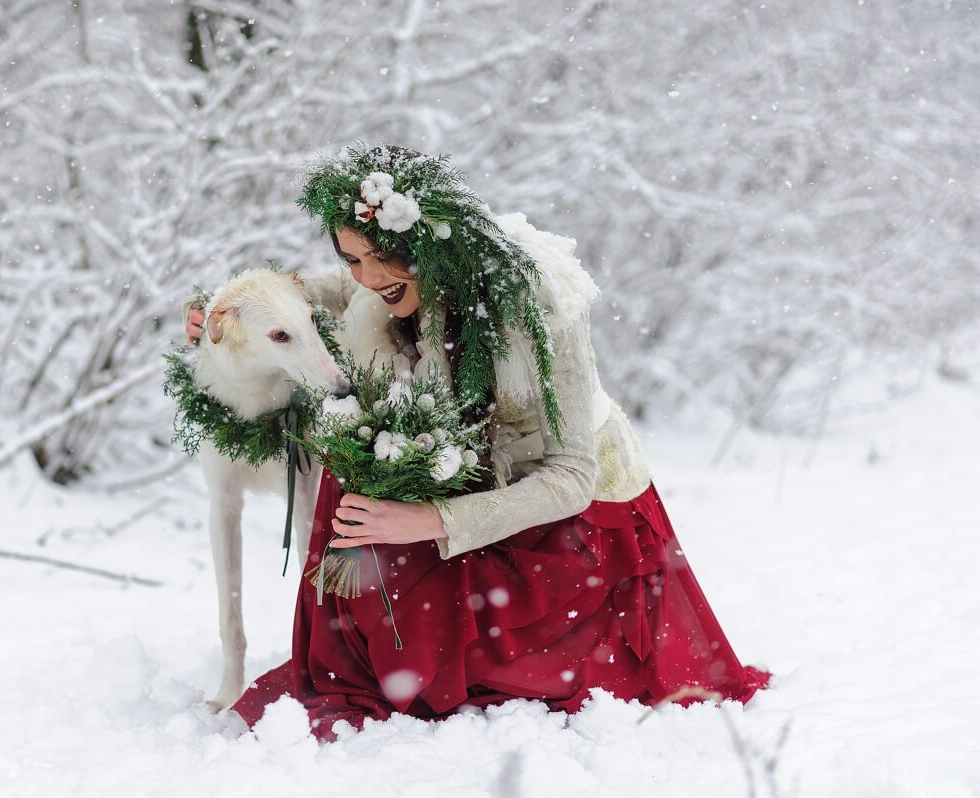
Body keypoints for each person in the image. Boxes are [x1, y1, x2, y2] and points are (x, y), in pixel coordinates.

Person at [185, 143, 771, 742]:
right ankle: (389, 641)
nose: (368, 277)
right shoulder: (386, 285)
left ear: (428, 242)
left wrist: (428, 521)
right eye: (354, 259)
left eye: (382, 257)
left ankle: (471, 646)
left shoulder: (540, 308)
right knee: (356, 487)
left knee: (457, 658)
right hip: (470, 478)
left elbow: (571, 478)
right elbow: (322, 290)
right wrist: (223, 310)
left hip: (572, 521)